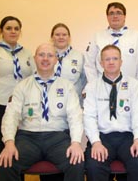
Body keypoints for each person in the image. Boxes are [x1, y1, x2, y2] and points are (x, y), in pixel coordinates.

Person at [0, 43, 85, 181]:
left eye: (50, 55)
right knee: (5, 164)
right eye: (41, 55)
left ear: (56, 60)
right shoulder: (22, 86)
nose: (45, 59)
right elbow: (11, 115)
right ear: (34, 58)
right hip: (28, 138)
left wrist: (76, 143)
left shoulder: (67, 86)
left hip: (58, 138)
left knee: (77, 162)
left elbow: (75, 116)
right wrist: (9, 142)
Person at [0, 16, 35, 181]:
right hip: (0, 104)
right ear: (1, 31)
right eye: (9, 28)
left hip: (22, 107)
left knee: (20, 147)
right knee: (0, 146)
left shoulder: (26, 53)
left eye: (16, 28)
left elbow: (33, 77)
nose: (13, 31)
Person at [84, 45, 138, 181]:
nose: (111, 62)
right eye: (107, 59)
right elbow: (89, 117)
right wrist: (96, 142)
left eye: (115, 58)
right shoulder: (91, 87)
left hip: (128, 138)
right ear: (101, 63)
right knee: (93, 166)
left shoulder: (134, 85)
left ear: (121, 61)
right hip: (102, 138)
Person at [40, 23, 87, 181]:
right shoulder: (45, 56)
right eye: (57, 34)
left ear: (69, 37)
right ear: (52, 37)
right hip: (50, 111)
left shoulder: (79, 56)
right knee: (47, 153)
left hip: (71, 111)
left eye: (64, 34)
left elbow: (85, 80)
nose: (61, 37)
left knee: (66, 152)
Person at [84, 2, 138, 89]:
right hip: (102, 89)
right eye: (111, 13)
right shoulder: (97, 37)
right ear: (107, 17)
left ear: (124, 16)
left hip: (130, 88)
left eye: (118, 13)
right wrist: (95, 86)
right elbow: (89, 64)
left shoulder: (137, 36)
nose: (115, 16)